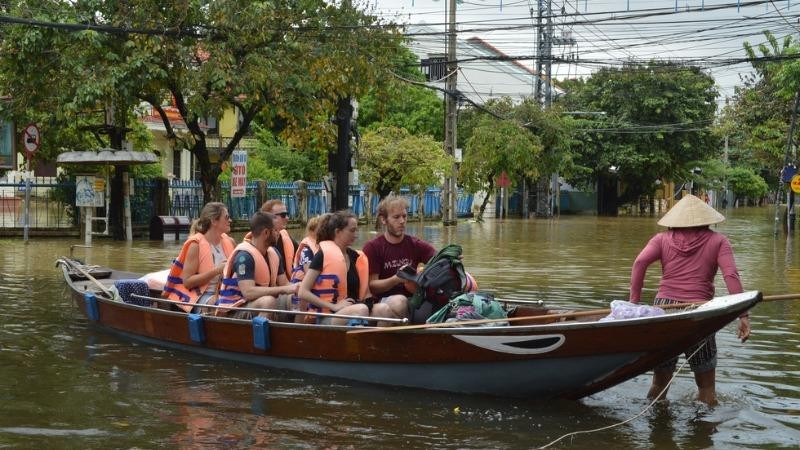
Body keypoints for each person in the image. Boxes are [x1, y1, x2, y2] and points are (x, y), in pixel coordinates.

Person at [629, 194, 751, 405]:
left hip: (664, 311)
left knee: (659, 384)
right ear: (707, 220)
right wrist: (743, 315)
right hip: (699, 313)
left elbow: (639, 263)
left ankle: (656, 428)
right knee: (706, 388)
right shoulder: (718, 241)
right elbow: (731, 276)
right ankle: (703, 432)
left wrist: (633, 304)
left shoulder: (661, 239)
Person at [298, 210, 394, 325]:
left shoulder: (356, 257)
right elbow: (303, 292)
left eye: (356, 230)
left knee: (384, 309)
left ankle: (375, 342)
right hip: (328, 314)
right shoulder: (322, 255)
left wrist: (367, 302)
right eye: (352, 231)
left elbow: (366, 293)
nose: (356, 235)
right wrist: (334, 306)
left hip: (355, 309)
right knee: (360, 310)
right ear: (338, 232)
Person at [362, 195, 436, 323]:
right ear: (383, 220)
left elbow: (438, 259)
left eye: (404, 216)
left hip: (413, 300)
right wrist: (396, 279)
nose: (402, 221)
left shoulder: (416, 244)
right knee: (399, 301)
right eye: (396, 217)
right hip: (383, 302)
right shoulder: (373, 247)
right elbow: (372, 286)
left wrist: (450, 258)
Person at [216, 211, 298, 320]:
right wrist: (283, 290)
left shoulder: (273, 253)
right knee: (268, 302)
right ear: (266, 233)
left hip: (258, 303)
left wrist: (300, 287)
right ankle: (260, 337)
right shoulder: (244, 257)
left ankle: (297, 334)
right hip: (236, 309)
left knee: (298, 297)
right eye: (276, 230)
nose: (279, 233)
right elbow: (248, 292)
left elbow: (285, 283)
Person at [162, 202, 236, 313]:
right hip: (202, 296)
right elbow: (187, 282)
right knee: (223, 305)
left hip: (227, 293)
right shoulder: (195, 245)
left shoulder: (230, 242)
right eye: (227, 217)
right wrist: (217, 270)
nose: (230, 220)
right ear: (214, 221)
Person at [289, 214, 325, 321]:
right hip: (302, 286)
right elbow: (308, 271)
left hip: (313, 286)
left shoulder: (323, 247)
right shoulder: (307, 250)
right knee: (303, 300)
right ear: (312, 231)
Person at [260, 199, 298, 279]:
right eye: (283, 215)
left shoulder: (286, 238)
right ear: (269, 217)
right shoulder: (257, 242)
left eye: (287, 214)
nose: (287, 218)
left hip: (287, 284)